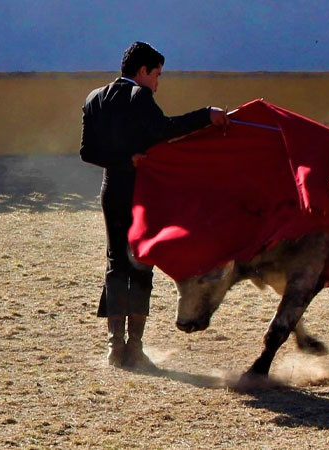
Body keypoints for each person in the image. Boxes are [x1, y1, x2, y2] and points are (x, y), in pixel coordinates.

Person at [79, 41, 230, 369]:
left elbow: (87, 152)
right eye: (157, 75)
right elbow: (166, 130)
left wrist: (122, 160)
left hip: (111, 191)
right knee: (140, 263)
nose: (158, 82)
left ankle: (114, 347)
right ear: (142, 71)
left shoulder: (95, 98)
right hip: (142, 193)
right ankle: (134, 349)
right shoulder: (140, 96)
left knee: (116, 263)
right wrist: (206, 115)